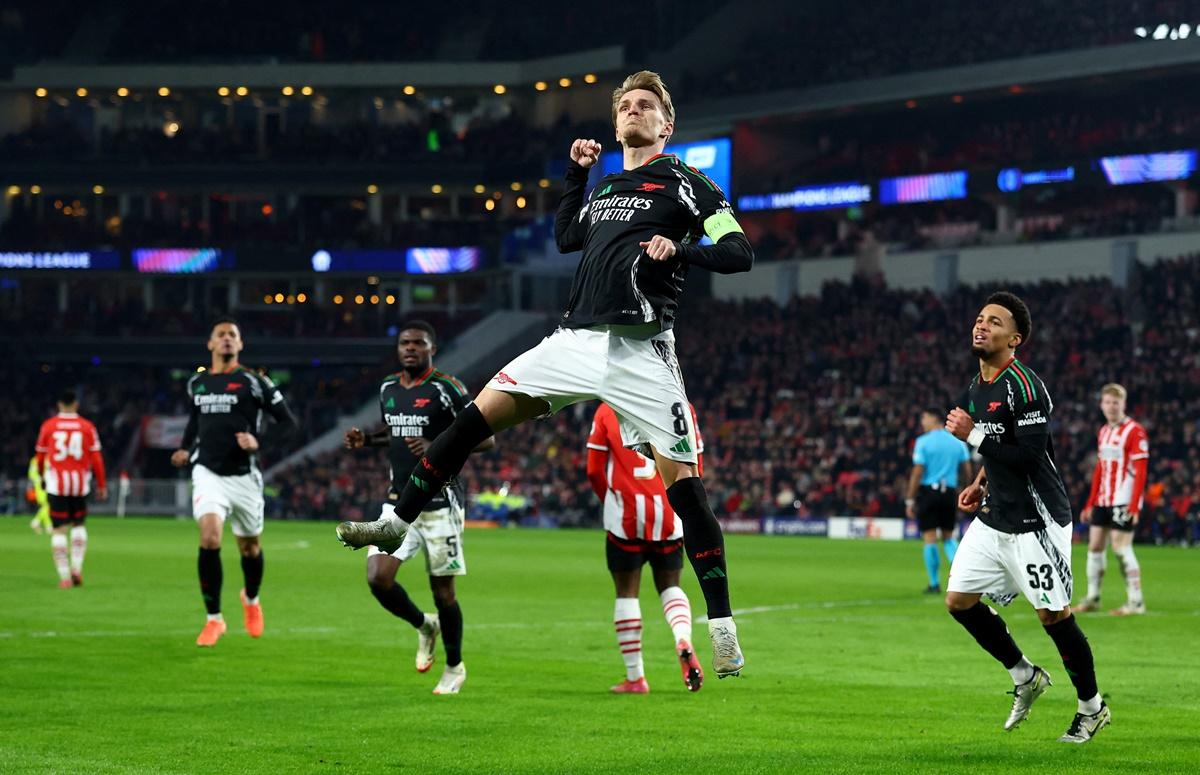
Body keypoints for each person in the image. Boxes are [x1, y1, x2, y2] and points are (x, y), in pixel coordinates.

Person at [335, 70, 753, 678]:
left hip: (642, 351)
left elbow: (739, 252)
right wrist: (577, 176)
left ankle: (721, 629)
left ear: (666, 125)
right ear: (616, 126)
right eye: (626, 105)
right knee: (472, 418)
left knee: (686, 489)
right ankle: (392, 523)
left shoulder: (691, 184)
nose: (635, 111)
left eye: (647, 105)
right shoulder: (608, 187)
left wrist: (680, 248)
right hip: (573, 340)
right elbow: (565, 237)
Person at [943, 291, 1110, 744]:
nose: (982, 326)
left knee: (1053, 616)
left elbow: (1030, 455)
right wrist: (980, 482)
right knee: (959, 601)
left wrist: (973, 435)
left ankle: (1092, 708)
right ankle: (1024, 674)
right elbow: (998, 448)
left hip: (1037, 521)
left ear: (1014, 339)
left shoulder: (1026, 386)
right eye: (979, 319)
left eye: (994, 322)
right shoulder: (977, 387)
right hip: (996, 515)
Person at [343, 321, 493, 695]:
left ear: (433, 348)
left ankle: (455, 667)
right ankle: (425, 626)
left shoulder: (447, 387)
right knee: (378, 578)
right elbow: (394, 433)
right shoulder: (388, 388)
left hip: (441, 503)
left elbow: (485, 439)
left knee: (444, 593)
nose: (410, 348)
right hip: (397, 503)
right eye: (405, 343)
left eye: (418, 343)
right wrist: (368, 440)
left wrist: (436, 447)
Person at [171, 317, 297, 647]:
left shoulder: (256, 383)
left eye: (233, 335)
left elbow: (288, 424)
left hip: (244, 477)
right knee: (210, 537)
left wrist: (258, 441)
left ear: (240, 345)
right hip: (207, 472)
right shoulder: (196, 384)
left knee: (250, 547)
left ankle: (251, 599)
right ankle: (214, 619)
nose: (227, 339)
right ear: (210, 344)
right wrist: (185, 449)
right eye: (221, 335)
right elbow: (194, 422)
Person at [587, 401, 704, 694]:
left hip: (625, 516)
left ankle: (636, 678)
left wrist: (610, 501)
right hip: (668, 512)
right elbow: (696, 466)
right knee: (670, 585)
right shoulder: (682, 407)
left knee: (627, 593)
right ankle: (682, 636)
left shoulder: (608, 407)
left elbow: (593, 470)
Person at [1078, 383, 1149, 615]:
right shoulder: (1104, 431)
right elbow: (1100, 468)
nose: (1111, 407)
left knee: (1121, 548)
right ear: (1101, 405)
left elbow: (1141, 470)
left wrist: (1134, 503)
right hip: (1103, 499)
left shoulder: (1134, 431)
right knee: (1095, 546)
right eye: (1107, 402)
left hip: (1124, 498)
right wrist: (1090, 502)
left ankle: (1136, 602)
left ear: (1123, 405)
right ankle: (1093, 597)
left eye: (1115, 403)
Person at [34, 390, 106, 588]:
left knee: (58, 530)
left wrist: (41, 476)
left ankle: (65, 577)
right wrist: (101, 484)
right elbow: (96, 458)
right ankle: (76, 568)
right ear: (76, 405)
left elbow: (40, 457)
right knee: (78, 525)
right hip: (79, 485)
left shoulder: (48, 426)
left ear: (59, 405)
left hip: (57, 485)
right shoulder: (87, 427)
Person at [906, 408, 971, 593]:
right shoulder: (957, 441)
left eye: (924, 417)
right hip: (949, 493)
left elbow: (918, 471)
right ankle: (965, 578)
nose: (922, 422)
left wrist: (910, 499)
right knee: (949, 537)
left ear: (934, 418)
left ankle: (934, 584)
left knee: (930, 538)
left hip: (929, 493)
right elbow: (966, 468)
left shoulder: (923, 442)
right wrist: (966, 489)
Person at [27, 454, 51, 535]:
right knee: (48, 505)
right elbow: (32, 473)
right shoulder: (40, 459)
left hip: (43, 485)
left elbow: (31, 473)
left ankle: (48, 526)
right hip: (43, 485)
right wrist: (40, 479)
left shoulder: (35, 459)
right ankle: (36, 522)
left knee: (46, 506)